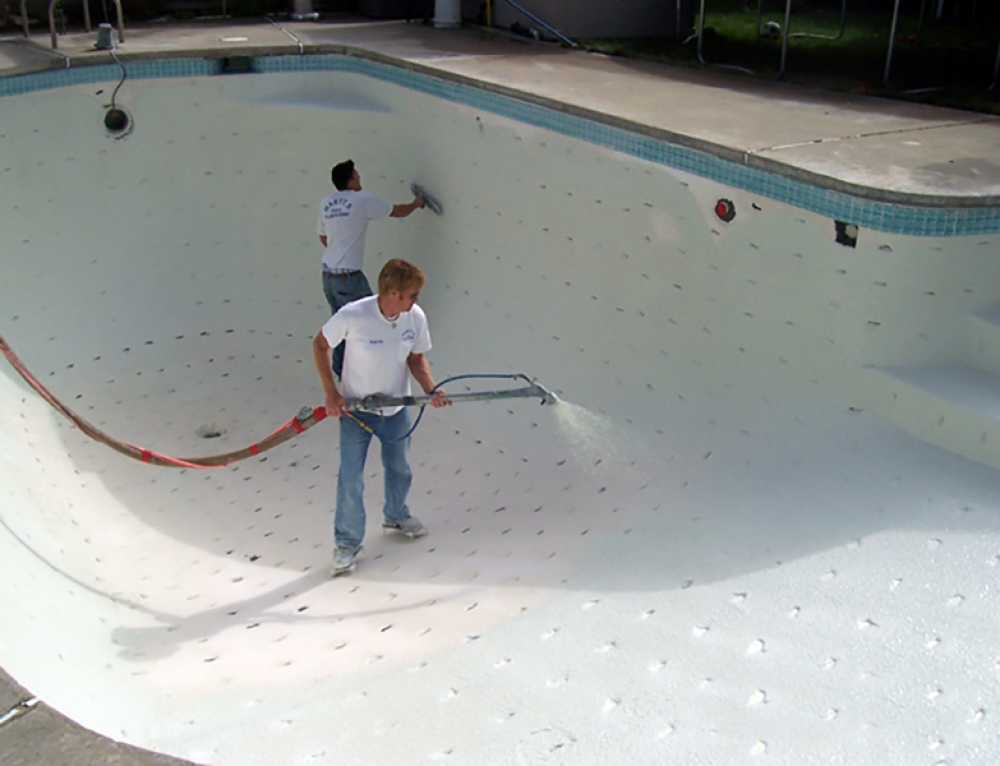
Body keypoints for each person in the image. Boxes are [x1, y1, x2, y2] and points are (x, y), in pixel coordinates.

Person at [312, 258, 450, 576]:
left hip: (395, 409)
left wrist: (431, 389)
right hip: (356, 412)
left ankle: (396, 514)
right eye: (412, 294)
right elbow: (320, 345)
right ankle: (347, 544)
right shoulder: (353, 314)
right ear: (392, 293)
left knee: (399, 468)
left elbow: (416, 358)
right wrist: (331, 394)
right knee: (350, 480)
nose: (417, 300)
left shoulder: (414, 317)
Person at [317, 159, 425, 378]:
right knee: (374, 319)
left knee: (344, 324)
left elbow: (323, 237)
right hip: (349, 278)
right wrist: (417, 203)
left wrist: (340, 248)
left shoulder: (326, 203)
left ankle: (341, 371)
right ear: (349, 181)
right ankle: (369, 371)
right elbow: (398, 211)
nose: (360, 180)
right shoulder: (363, 200)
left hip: (329, 276)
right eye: (356, 176)